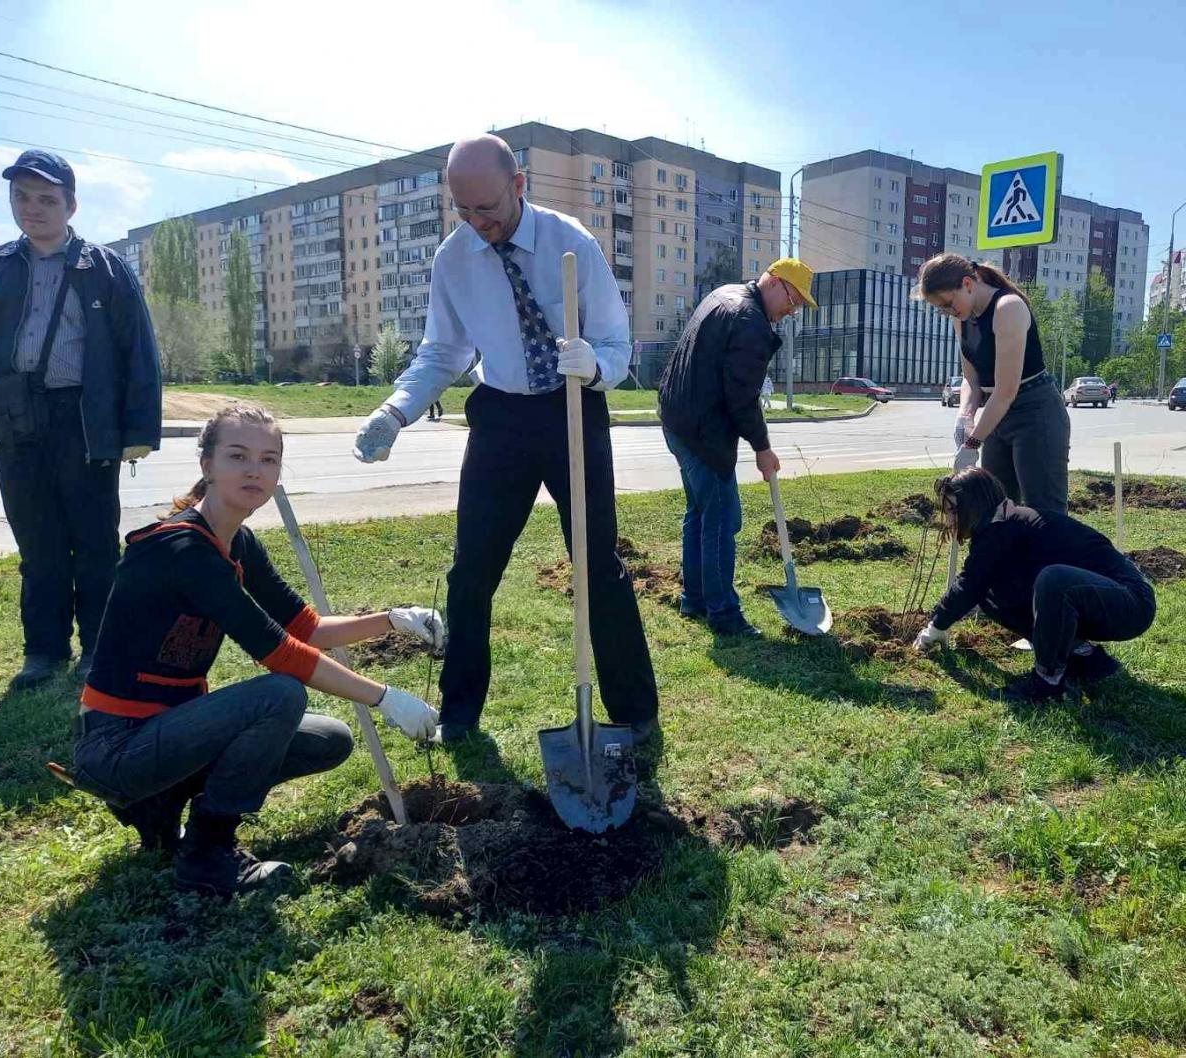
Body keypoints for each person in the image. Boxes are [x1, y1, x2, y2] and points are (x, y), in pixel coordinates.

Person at [352, 135, 658, 746]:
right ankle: (460, 713)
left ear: (519, 184)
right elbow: (445, 350)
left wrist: (592, 364)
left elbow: (619, 348)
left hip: (573, 409)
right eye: (463, 211)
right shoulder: (455, 258)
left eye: (487, 207)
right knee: (472, 572)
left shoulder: (571, 242)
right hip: (501, 419)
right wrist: (396, 410)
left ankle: (634, 713)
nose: (477, 222)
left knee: (597, 566)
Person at [74, 403, 444, 897]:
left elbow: (305, 628)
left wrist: (393, 620)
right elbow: (281, 653)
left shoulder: (239, 542)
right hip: (116, 743)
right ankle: (208, 853)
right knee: (280, 695)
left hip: (167, 732)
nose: (255, 470)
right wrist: (385, 698)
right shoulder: (182, 551)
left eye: (269, 459)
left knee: (329, 739)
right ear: (207, 464)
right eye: (238, 455)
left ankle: (158, 804)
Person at [0, 149, 162, 690]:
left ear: (70, 205)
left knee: (93, 542)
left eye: (46, 199)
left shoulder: (106, 268)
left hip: (85, 419)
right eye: (22, 198)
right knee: (37, 543)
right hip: (19, 417)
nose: (32, 209)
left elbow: (139, 351)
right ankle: (43, 652)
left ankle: (98, 650)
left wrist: (137, 432)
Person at [658, 258, 816, 636]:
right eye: (792, 301)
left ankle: (695, 599)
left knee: (699, 513)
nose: (790, 312)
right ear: (776, 283)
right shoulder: (750, 323)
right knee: (722, 519)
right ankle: (723, 614)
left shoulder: (724, 294)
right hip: (703, 430)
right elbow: (741, 397)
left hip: (677, 418)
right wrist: (763, 448)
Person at [913, 467, 1156, 702]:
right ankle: (1085, 658)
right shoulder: (1002, 526)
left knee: (1054, 580)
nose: (949, 521)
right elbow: (975, 584)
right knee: (992, 593)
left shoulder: (1004, 528)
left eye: (954, 511)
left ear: (974, 506)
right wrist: (939, 622)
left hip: (1130, 601)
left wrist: (934, 628)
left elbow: (968, 584)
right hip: (1105, 599)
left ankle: (1046, 684)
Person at [913, 253, 1070, 512]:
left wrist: (973, 443)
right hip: (997, 417)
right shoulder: (961, 319)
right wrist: (965, 416)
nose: (948, 312)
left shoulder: (1008, 308)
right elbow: (971, 379)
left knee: (1045, 513)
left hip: (1036, 413)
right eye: (941, 310)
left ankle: (1055, 554)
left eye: (948, 303)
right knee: (997, 509)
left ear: (967, 283)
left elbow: (1006, 390)